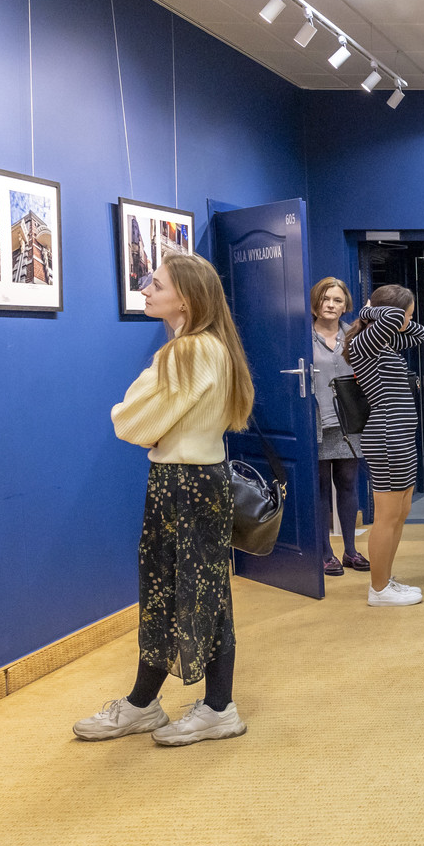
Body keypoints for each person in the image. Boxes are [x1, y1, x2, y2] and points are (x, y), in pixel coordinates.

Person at [74, 253, 255, 746]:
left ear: (186, 299)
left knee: (175, 591)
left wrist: (150, 425)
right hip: (202, 480)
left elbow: (129, 421)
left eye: (156, 284)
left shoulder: (185, 352)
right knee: (195, 590)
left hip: (182, 483)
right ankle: (162, 703)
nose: (145, 290)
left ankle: (207, 707)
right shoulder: (214, 346)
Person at [344, 284, 424, 606]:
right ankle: (378, 590)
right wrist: (368, 309)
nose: (408, 320)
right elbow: (393, 317)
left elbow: (422, 334)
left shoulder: (384, 340)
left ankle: (386, 580)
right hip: (386, 436)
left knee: (401, 511)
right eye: (408, 313)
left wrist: (398, 318)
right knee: (387, 516)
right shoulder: (366, 341)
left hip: (400, 435)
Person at [310, 276, 368, 578]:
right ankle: (324, 553)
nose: (331, 305)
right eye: (325, 299)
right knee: (320, 486)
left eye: (337, 300)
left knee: (347, 482)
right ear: (315, 303)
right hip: (317, 421)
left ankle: (350, 551)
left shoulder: (355, 335)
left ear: (345, 305)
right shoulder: (303, 336)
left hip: (348, 421)